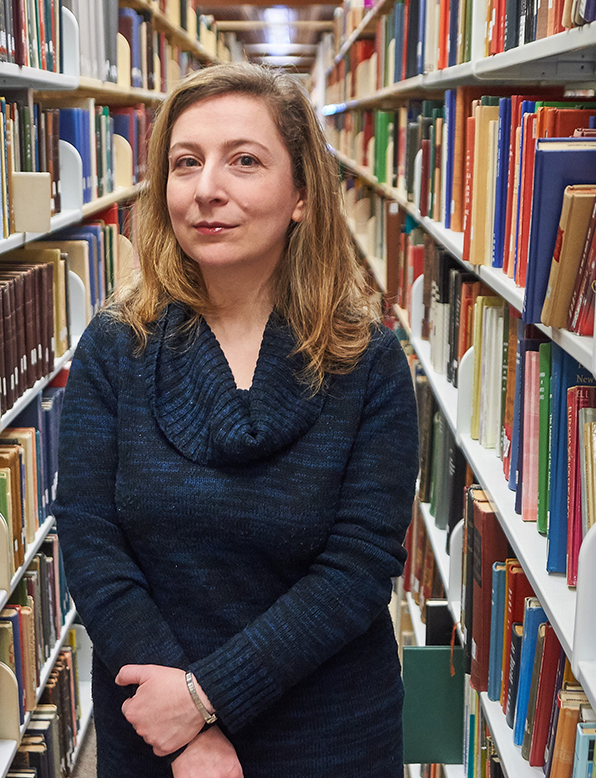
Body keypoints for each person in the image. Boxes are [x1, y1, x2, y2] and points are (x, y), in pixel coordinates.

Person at [55, 62, 419, 778]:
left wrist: (207, 697)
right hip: (154, 725)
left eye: (244, 161)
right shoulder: (116, 345)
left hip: (328, 730)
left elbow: (358, 568)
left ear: (303, 196)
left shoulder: (367, 360)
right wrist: (185, 729)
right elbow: (91, 542)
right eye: (185, 163)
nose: (206, 189)